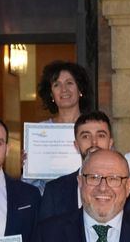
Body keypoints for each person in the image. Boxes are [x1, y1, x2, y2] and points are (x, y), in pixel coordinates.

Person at [39, 110, 130, 222]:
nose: (94, 142)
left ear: (110, 142)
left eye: (101, 135)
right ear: (76, 145)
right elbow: (46, 236)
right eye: (86, 136)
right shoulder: (54, 190)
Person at [24, 61, 94, 193]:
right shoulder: (39, 131)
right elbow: (30, 186)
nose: (64, 89)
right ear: (51, 94)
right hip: (50, 206)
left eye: (69, 83)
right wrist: (28, 166)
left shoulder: (94, 127)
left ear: (80, 89)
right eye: (57, 85)